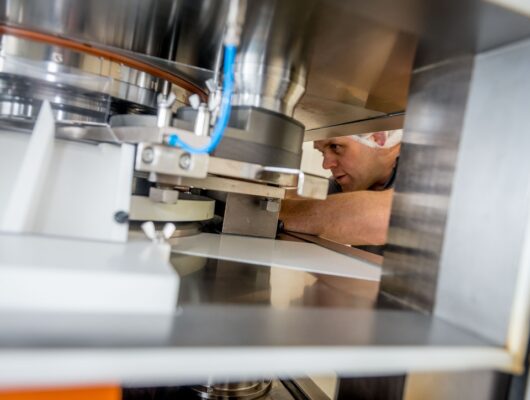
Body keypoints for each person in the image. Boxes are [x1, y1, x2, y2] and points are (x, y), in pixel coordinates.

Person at [279, 130, 402, 246]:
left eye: (335, 147)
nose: (326, 165)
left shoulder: (412, 174)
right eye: (322, 153)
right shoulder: (348, 184)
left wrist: (275, 211)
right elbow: (293, 197)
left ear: (378, 136)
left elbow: (384, 217)